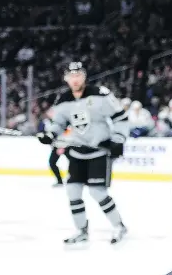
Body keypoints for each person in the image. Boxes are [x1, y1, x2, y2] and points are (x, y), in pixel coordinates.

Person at [37, 62, 129, 244]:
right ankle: (81, 230)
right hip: (76, 153)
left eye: (78, 75)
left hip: (99, 152)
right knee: (72, 191)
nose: (75, 79)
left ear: (84, 76)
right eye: (72, 76)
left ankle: (119, 225)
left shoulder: (100, 94)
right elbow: (59, 124)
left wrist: (118, 139)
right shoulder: (62, 100)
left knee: (98, 192)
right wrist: (50, 134)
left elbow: (120, 117)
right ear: (66, 78)